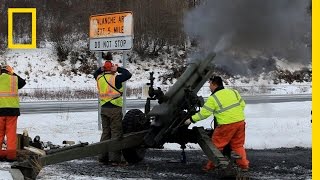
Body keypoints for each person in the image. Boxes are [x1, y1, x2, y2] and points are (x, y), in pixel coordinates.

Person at [185, 76, 249, 172]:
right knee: (238, 145)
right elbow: (242, 105)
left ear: (214, 84)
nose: (209, 87)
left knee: (216, 146)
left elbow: (204, 114)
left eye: (210, 85)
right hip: (240, 122)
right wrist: (234, 115)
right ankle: (244, 166)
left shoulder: (213, 98)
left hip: (226, 125)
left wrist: (191, 119)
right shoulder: (233, 92)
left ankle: (210, 167)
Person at [93, 52, 132, 165]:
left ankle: (102, 157)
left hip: (104, 108)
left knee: (106, 132)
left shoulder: (99, 77)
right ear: (112, 69)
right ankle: (115, 159)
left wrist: (101, 69)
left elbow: (95, 73)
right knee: (116, 133)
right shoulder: (116, 78)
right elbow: (128, 74)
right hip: (115, 108)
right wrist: (118, 68)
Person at [0, 65, 26, 161]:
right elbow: (23, 83)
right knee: (11, 134)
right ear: (9, 71)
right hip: (12, 111)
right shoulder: (14, 79)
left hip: (0, 111)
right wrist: (12, 73)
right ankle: (11, 156)